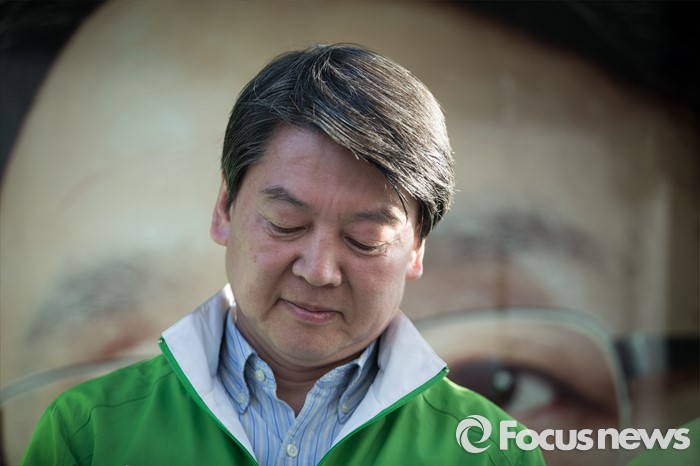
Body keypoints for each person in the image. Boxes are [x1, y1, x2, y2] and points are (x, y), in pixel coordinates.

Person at [19, 43, 545, 466]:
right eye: (285, 224)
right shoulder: (89, 433)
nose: (318, 271)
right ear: (225, 208)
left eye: (365, 239)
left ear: (416, 248)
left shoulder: (491, 452)